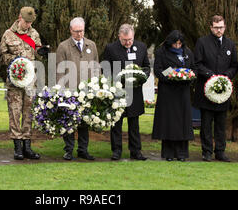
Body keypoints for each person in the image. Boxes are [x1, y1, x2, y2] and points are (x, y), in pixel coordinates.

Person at [0, 7, 41, 160]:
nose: (28, 25)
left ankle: (27, 146)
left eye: (30, 22)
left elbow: (37, 53)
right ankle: (17, 148)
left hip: (30, 82)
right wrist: (16, 62)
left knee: (28, 113)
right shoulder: (8, 34)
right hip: (15, 81)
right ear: (19, 18)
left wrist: (42, 52)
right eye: (26, 22)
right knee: (15, 113)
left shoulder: (34, 34)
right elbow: (2, 57)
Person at [193, 15, 238, 162]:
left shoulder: (230, 44)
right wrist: (210, 75)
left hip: (223, 92)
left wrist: (225, 77)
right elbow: (197, 64)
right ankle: (206, 151)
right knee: (206, 124)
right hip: (206, 90)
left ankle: (220, 151)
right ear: (211, 27)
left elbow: (234, 65)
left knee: (221, 123)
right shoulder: (202, 42)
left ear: (224, 27)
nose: (219, 30)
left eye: (221, 27)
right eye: (216, 27)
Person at [102, 24, 149, 161]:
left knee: (134, 124)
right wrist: (114, 81)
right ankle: (116, 151)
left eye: (130, 39)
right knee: (116, 123)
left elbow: (146, 67)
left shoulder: (141, 47)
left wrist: (141, 77)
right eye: (125, 40)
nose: (128, 42)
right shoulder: (111, 48)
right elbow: (105, 68)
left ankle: (136, 151)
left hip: (135, 91)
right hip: (118, 92)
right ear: (119, 37)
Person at [56, 17, 100, 161]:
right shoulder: (63, 47)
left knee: (84, 122)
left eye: (81, 31)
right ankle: (68, 150)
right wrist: (61, 92)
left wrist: (96, 86)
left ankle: (83, 150)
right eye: (76, 32)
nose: (79, 34)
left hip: (87, 91)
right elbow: (59, 71)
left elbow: (96, 67)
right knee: (69, 121)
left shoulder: (91, 45)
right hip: (69, 90)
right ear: (70, 30)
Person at [152, 30, 195, 161]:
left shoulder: (187, 53)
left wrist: (188, 75)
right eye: (175, 44)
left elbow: (193, 68)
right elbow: (158, 70)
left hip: (183, 93)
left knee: (182, 123)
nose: (177, 46)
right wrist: (173, 74)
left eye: (179, 44)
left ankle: (181, 153)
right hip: (168, 93)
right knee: (169, 123)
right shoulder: (161, 52)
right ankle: (169, 153)